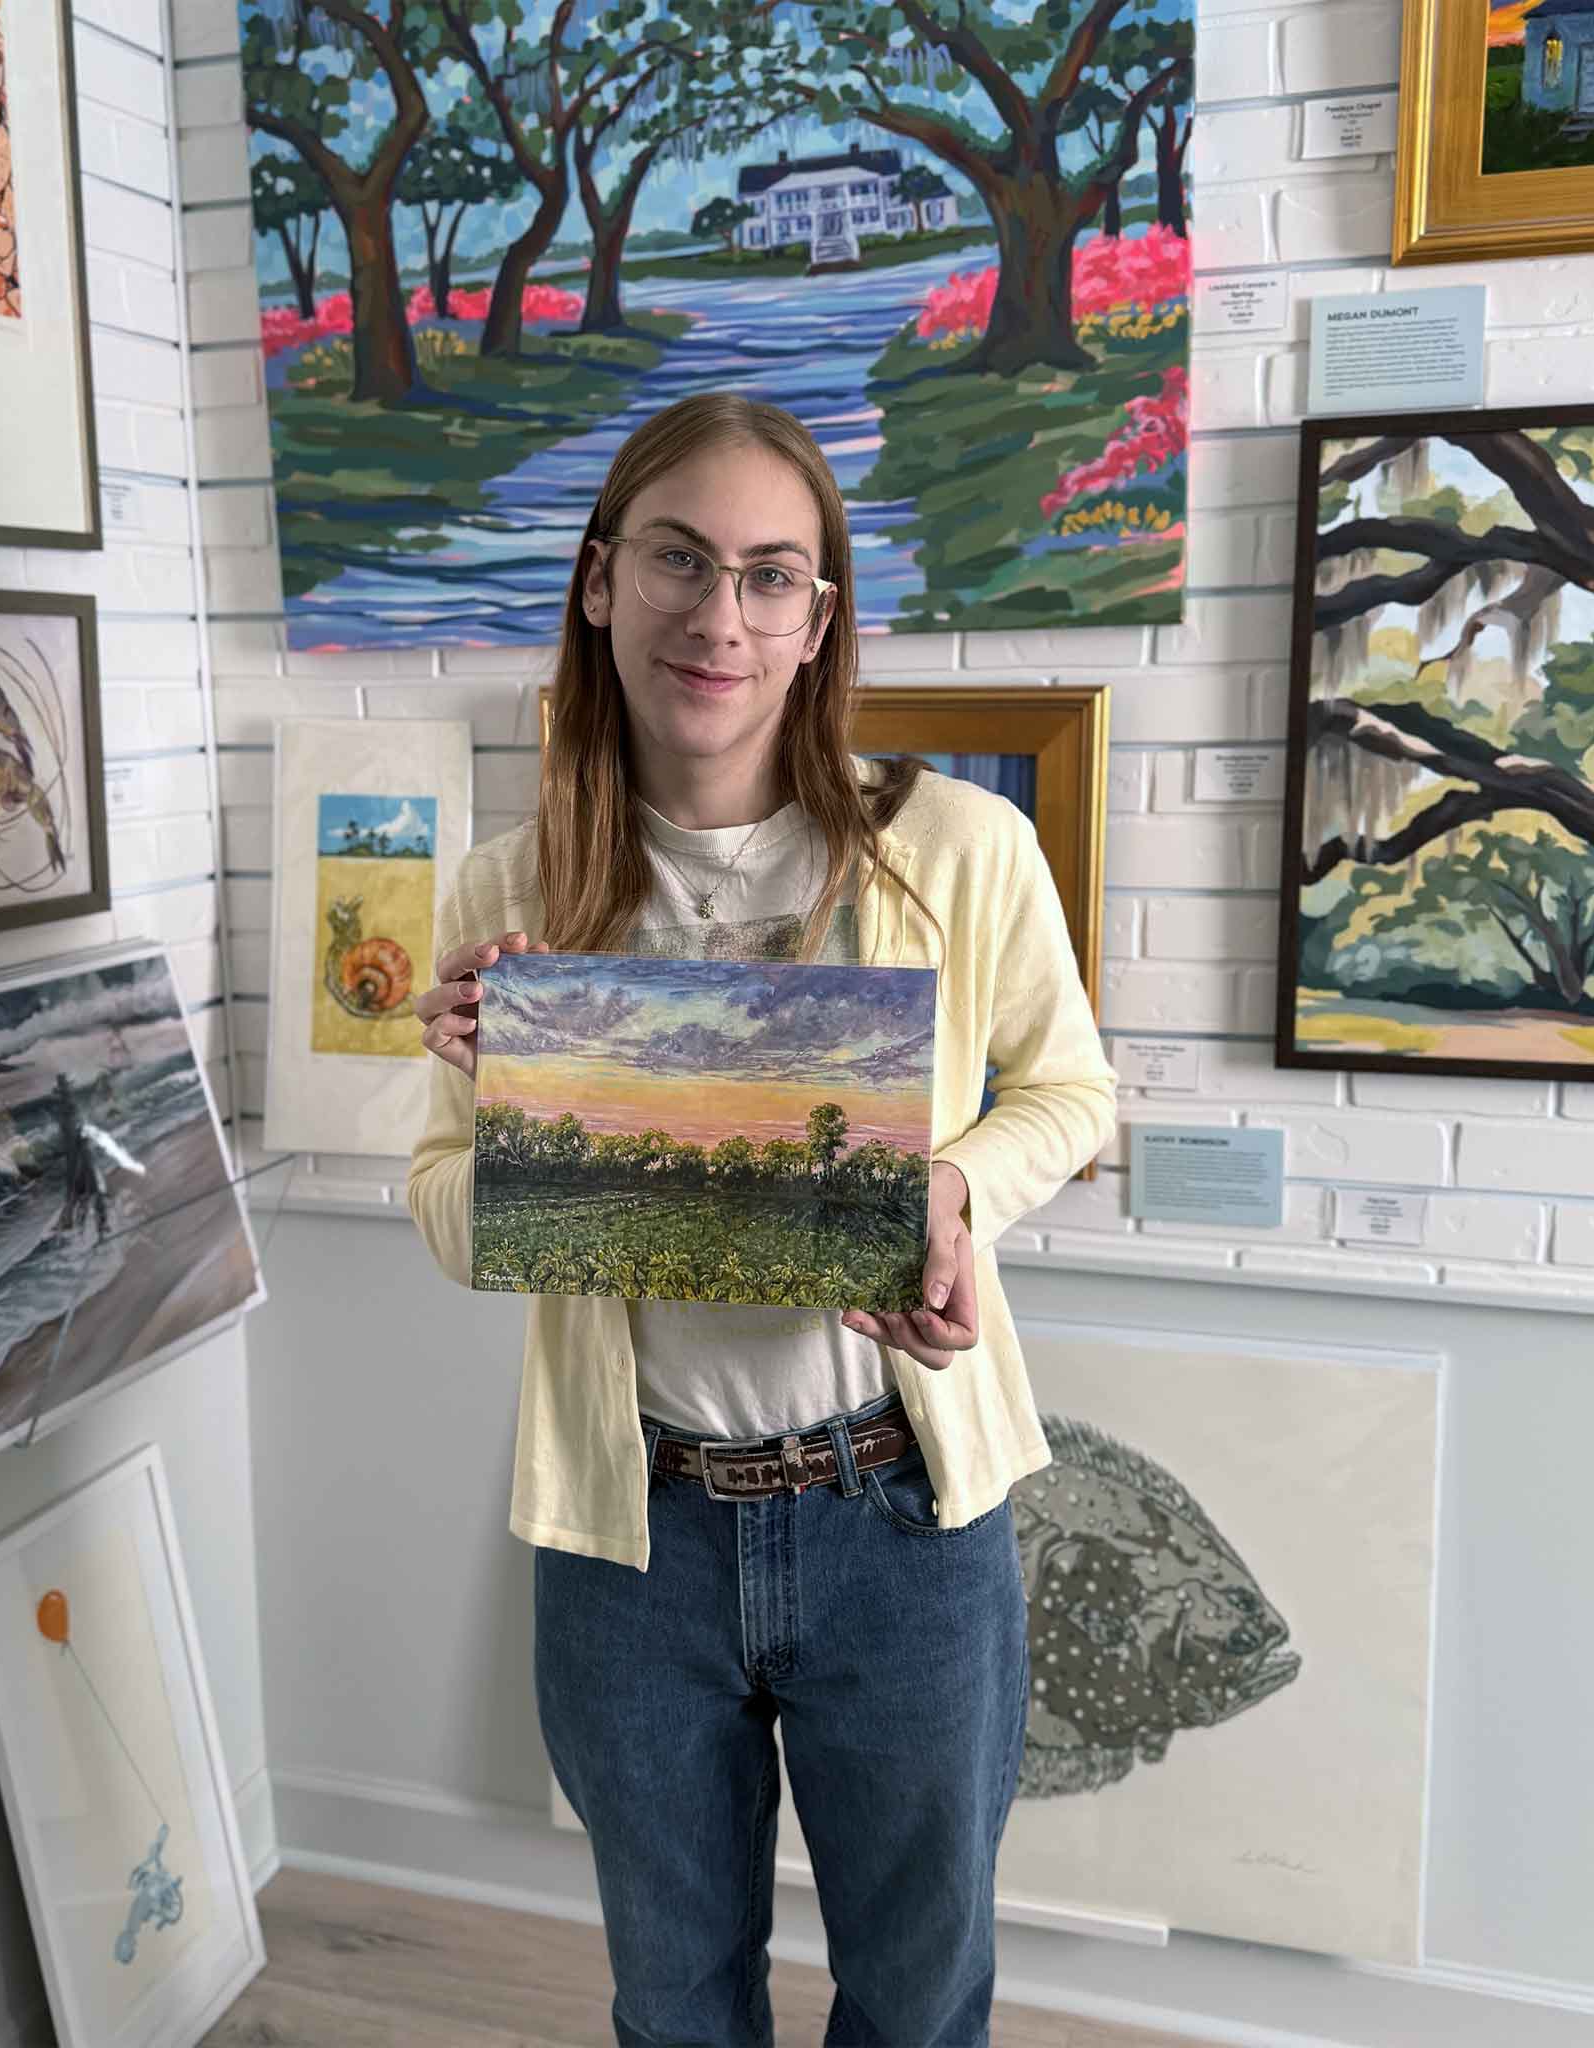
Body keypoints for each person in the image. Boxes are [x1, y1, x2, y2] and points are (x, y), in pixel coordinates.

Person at [406, 392, 1117, 2048]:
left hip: (903, 1516)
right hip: (633, 1533)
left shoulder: (955, 849)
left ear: (820, 619)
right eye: (676, 559)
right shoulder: (508, 897)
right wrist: (522, 1128)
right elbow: (440, 1204)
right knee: (672, 1997)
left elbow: (1073, 1100)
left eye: (770, 575)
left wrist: (948, 1188)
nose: (717, 616)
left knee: (919, 1992)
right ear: (598, 583)